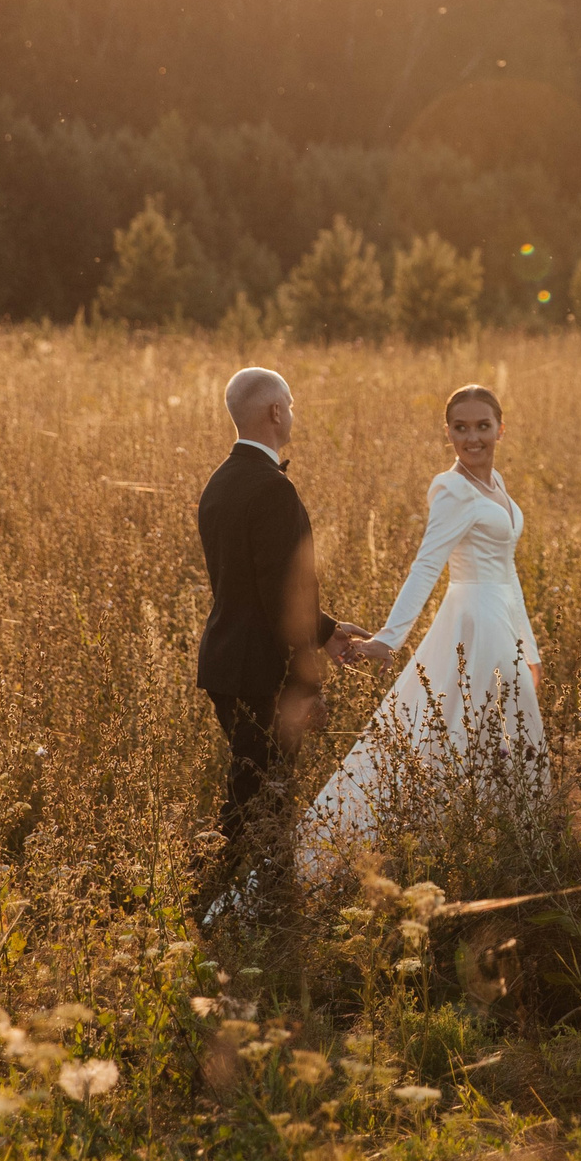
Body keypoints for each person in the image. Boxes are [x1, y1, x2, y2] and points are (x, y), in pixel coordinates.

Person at [303, 383, 548, 861]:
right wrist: (390, 639)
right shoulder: (453, 489)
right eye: (461, 428)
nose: (472, 437)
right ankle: (450, 847)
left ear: (501, 428)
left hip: (501, 622)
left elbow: (508, 572)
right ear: (448, 432)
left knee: (501, 731)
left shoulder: (495, 487)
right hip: (471, 624)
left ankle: (508, 848)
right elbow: (426, 566)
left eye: (482, 426)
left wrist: (531, 650)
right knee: (460, 730)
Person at [194, 366, 368, 912]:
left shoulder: (220, 482)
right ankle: (217, 904)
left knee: (257, 792)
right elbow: (281, 601)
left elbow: (254, 590)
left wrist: (329, 630)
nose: (292, 413)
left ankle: (251, 900)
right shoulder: (272, 490)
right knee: (260, 800)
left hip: (227, 662)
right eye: (289, 404)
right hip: (258, 671)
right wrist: (305, 686)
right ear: (274, 412)